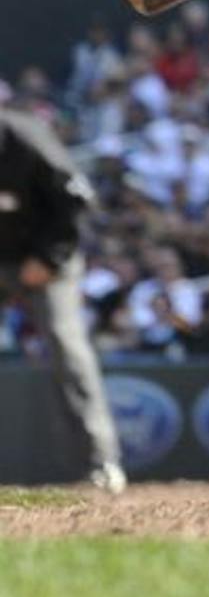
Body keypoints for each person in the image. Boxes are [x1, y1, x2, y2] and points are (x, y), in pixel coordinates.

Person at [0, 109, 124, 491]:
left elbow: (74, 200)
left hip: (49, 258)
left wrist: (48, 257)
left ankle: (100, 463)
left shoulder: (25, 136)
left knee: (65, 342)